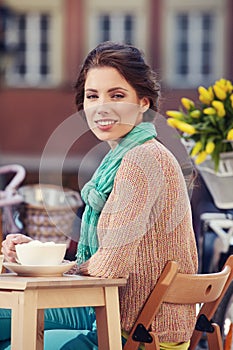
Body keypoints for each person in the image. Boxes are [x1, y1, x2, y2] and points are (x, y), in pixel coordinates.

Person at [0, 41, 198, 350]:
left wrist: (55, 265)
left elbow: (112, 266)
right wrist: (37, 253)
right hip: (121, 315)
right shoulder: (124, 158)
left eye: (117, 95)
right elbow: (107, 259)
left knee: (17, 338)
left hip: (134, 331)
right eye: (93, 96)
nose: (102, 106)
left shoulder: (140, 161)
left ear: (143, 103)